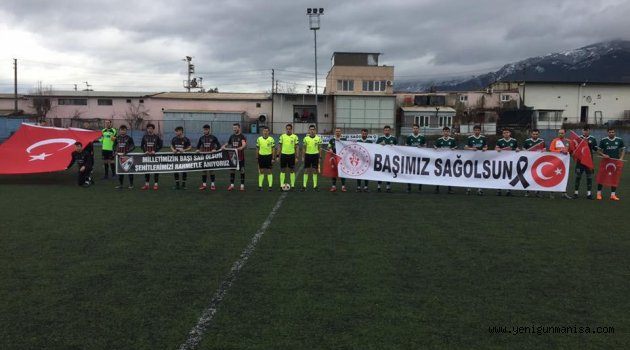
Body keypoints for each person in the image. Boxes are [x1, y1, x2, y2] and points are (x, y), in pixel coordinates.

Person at [596, 127, 625, 201]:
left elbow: (623, 149)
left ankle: (613, 195)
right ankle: (599, 194)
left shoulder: (619, 140)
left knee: (614, 178)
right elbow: (598, 150)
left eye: (612, 132)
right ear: (607, 132)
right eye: (610, 132)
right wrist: (603, 155)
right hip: (605, 162)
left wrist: (621, 158)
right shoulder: (603, 140)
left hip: (615, 162)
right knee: (601, 177)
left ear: (615, 133)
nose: (611, 133)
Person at [573, 125, 597, 199]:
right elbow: (574, 148)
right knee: (578, 177)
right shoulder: (578, 138)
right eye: (584, 130)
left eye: (587, 130)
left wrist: (603, 154)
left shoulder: (593, 139)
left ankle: (589, 194)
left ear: (589, 131)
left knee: (589, 177)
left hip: (589, 161)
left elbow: (595, 149)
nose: (585, 132)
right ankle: (576, 193)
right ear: (582, 130)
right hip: (580, 161)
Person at [548, 129, 573, 199]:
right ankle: (552, 192)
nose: (560, 134)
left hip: (565, 163)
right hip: (555, 163)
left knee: (565, 177)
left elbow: (571, 150)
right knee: (553, 177)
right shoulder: (554, 141)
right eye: (559, 133)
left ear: (565, 133)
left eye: (562, 133)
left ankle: (564, 193)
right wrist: (560, 151)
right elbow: (551, 150)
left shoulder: (568, 141)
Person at [494, 128, 519, 196]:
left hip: (511, 161)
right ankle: (499, 190)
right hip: (501, 161)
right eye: (504, 133)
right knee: (500, 175)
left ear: (510, 133)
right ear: (502, 134)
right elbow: (496, 148)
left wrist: (517, 149)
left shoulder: (514, 140)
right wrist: (498, 149)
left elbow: (517, 148)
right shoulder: (500, 141)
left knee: (509, 175)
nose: (506, 134)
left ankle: (508, 190)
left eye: (507, 132)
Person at [464, 125, 487, 195]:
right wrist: (471, 149)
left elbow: (486, 146)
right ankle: (469, 188)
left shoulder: (483, 138)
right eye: (475, 130)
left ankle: (479, 189)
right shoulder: (470, 138)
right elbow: (465, 147)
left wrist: (485, 149)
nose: (477, 131)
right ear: (473, 131)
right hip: (471, 158)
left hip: (480, 159)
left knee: (479, 173)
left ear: (480, 131)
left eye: (478, 130)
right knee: (470, 173)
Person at [196, 124, 221, 191]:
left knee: (211, 170)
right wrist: (198, 150)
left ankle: (212, 184)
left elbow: (219, 146)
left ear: (209, 130)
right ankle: (204, 184)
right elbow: (198, 146)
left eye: (206, 129)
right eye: (204, 130)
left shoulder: (213, 137)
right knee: (204, 171)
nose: (205, 131)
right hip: (204, 157)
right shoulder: (201, 138)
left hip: (211, 156)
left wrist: (215, 149)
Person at [434, 126, 458, 194]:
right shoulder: (439, 140)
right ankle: (437, 188)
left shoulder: (452, 140)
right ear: (443, 132)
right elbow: (435, 148)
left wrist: (454, 149)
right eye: (445, 131)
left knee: (449, 174)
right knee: (439, 174)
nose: (446, 133)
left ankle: (450, 189)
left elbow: (456, 148)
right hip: (440, 161)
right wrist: (435, 148)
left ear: (449, 132)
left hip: (449, 161)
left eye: (447, 131)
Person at [224, 123, 247, 191]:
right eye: (233, 128)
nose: (234, 129)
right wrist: (223, 146)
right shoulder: (232, 136)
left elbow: (244, 144)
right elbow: (228, 143)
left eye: (236, 128)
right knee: (232, 170)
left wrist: (241, 147)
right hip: (233, 157)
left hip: (240, 157)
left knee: (242, 171)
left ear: (239, 128)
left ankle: (242, 186)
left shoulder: (242, 136)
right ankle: (232, 185)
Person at [522, 129, 546, 197]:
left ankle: (537, 191)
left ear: (538, 134)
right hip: (529, 161)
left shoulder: (541, 141)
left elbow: (544, 149)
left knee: (538, 175)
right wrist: (527, 151)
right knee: (528, 176)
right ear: (531, 134)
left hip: (538, 162)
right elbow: (523, 149)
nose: (535, 135)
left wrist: (543, 150)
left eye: (536, 134)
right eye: (533, 134)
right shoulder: (527, 141)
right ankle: (527, 191)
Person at [140, 123, 163, 190]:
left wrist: (155, 151)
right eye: (148, 128)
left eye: (151, 128)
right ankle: (146, 184)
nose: (149, 130)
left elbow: (160, 146)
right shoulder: (145, 137)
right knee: (147, 170)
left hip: (154, 156)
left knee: (156, 169)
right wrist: (145, 151)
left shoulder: (156, 137)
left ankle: (156, 184)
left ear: (153, 129)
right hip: (147, 156)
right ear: (147, 129)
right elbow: (142, 146)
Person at [376, 125, 398, 192]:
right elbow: (374, 147)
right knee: (380, 172)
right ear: (383, 131)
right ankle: (379, 186)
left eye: (388, 130)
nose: (387, 131)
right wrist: (380, 144)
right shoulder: (380, 138)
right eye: (385, 130)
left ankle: (388, 187)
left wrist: (394, 146)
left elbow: (398, 148)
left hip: (390, 158)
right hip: (381, 158)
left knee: (388, 172)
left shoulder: (393, 138)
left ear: (390, 131)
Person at [277, 123, 299, 190]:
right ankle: (281, 185)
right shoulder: (282, 136)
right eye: (287, 129)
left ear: (291, 129)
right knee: (282, 170)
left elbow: (297, 147)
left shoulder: (295, 137)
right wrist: (278, 155)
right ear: (286, 129)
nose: (288, 130)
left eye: (289, 129)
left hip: (292, 155)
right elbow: (279, 146)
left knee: (292, 170)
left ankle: (292, 186)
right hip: (283, 155)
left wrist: (297, 157)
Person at [405, 124, 426, 193]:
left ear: (418, 129)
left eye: (416, 128)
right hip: (411, 158)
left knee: (420, 173)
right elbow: (406, 147)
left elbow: (425, 148)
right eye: (414, 128)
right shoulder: (409, 137)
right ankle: (409, 187)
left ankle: (420, 188)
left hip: (419, 158)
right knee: (409, 173)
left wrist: (421, 147)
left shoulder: (422, 137)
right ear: (412, 129)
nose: (415, 129)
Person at [113, 125, 135, 189]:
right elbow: (114, 146)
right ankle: (121, 185)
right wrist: (115, 151)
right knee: (120, 171)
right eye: (121, 130)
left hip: (127, 157)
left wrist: (127, 151)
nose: (122, 131)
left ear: (126, 131)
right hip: (119, 157)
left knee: (130, 171)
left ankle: (131, 185)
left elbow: (133, 146)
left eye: (124, 130)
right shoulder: (117, 138)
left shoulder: (129, 138)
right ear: (119, 131)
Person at [301, 124, 322, 191]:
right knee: (306, 170)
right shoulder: (306, 138)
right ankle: (304, 186)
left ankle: (315, 186)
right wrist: (303, 156)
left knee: (314, 170)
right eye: (311, 130)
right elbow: (304, 148)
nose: (312, 131)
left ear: (315, 130)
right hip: (308, 155)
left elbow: (320, 148)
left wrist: (320, 157)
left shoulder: (318, 138)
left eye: (313, 130)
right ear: (309, 130)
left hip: (315, 155)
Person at [328, 127, 347, 192]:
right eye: (336, 131)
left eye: (339, 131)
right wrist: (330, 149)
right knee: (334, 172)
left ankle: (343, 186)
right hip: (334, 158)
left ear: (341, 132)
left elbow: (348, 147)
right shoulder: (332, 140)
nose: (338, 132)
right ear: (335, 132)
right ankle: (333, 186)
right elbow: (329, 146)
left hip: (342, 158)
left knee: (342, 172)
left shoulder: (344, 139)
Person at [256, 126, 275, 191]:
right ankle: (260, 186)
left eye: (267, 131)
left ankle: (270, 187)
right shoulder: (259, 139)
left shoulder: (271, 139)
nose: (265, 132)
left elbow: (273, 149)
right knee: (261, 171)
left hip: (269, 157)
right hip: (261, 157)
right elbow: (257, 148)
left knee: (269, 171)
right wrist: (257, 157)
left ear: (268, 132)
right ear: (262, 132)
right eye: (264, 131)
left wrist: (273, 158)